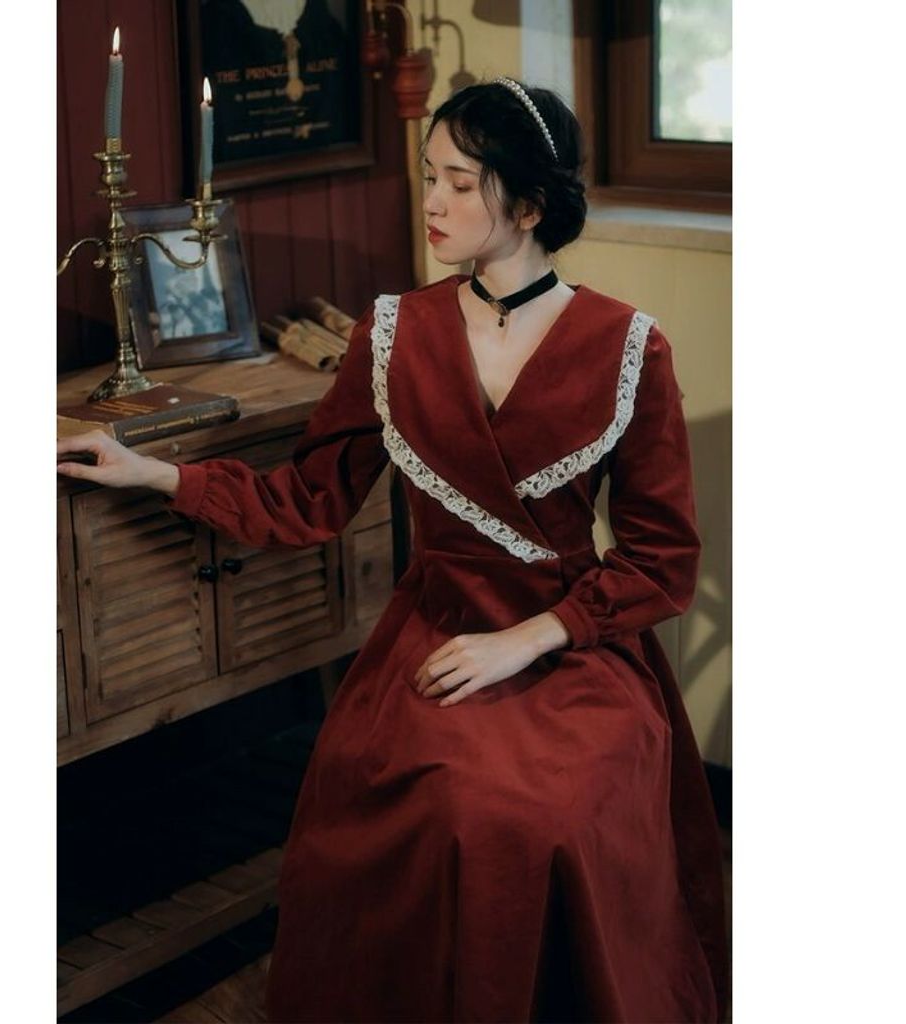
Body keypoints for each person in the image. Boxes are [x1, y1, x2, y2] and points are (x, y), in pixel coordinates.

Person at [58, 77, 729, 1023]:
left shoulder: (628, 347)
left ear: (528, 206)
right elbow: (307, 500)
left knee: (541, 814)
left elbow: (661, 562)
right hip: (434, 633)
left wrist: (528, 638)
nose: (432, 201)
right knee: (433, 802)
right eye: (428, 176)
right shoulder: (393, 334)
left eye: (459, 182)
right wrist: (155, 473)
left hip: (572, 643)